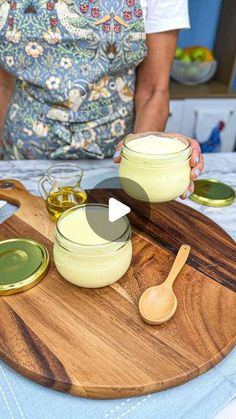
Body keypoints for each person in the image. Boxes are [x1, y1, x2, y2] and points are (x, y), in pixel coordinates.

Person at [0, 0, 203, 198]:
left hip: (114, 162)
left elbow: (153, 90)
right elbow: (3, 84)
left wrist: (144, 157)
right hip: (21, 160)